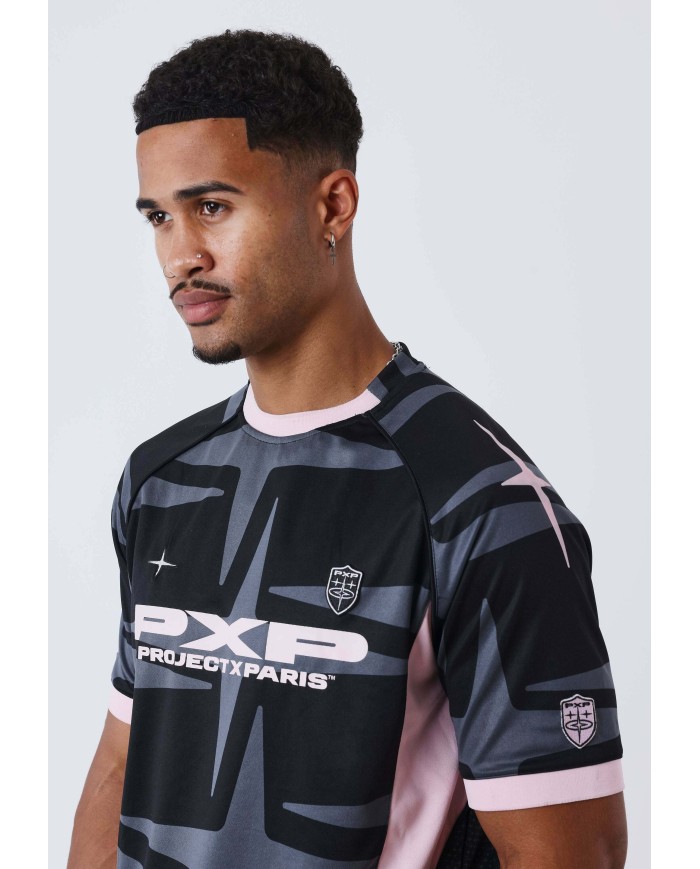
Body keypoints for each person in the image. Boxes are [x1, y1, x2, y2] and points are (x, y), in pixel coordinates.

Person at [68, 29, 627, 869]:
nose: (180, 254)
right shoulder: (161, 478)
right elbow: (121, 765)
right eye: (159, 217)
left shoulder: (479, 503)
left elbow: (571, 855)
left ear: (333, 205)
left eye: (212, 207)